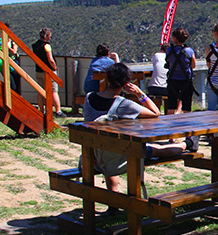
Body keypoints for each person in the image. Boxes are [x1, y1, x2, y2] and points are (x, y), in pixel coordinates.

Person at [84, 63, 197, 197]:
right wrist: (139, 93)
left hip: (93, 156)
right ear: (126, 83)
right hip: (119, 157)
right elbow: (156, 113)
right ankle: (186, 144)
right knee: (157, 149)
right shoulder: (124, 104)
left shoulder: (89, 97)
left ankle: (113, 201)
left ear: (107, 79)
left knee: (109, 148)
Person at [31, 27, 65, 117]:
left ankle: (41, 110)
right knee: (54, 91)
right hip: (48, 71)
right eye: (49, 36)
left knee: (40, 91)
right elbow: (50, 59)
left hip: (38, 70)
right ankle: (58, 111)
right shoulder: (47, 46)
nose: (50, 38)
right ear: (46, 36)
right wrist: (54, 67)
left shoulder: (35, 45)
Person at [164, 28, 197, 114]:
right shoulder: (189, 51)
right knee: (186, 107)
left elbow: (168, 62)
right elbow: (193, 65)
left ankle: (170, 125)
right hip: (186, 81)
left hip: (172, 80)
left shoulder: (169, 50)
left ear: (174, 38)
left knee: (171, 106)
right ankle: (186, 126)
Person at [148, 43, 170, 110]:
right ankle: (175, 111)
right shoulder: (172, 57)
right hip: (167, 88)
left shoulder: (157, 55)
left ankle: (157, 109)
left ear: (161, 50)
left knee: (157, 95)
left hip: (154, 88)